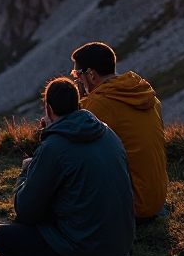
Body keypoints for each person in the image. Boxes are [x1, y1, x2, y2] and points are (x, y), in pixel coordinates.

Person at [0, 76, 134, 256]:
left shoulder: (55, 147)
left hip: (83, 255)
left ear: (48, 109)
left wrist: (27, 171)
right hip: (121, 247)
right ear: (78, 105)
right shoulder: (108, 133)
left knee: (5, 236)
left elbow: (25, 211)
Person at [71, 41, 168, 220]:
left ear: (91, 75)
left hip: (131, 206)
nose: (77, 80)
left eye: (77, 74)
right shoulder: (148, 97)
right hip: (156, 199)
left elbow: (71, 147)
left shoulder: (99, 103)